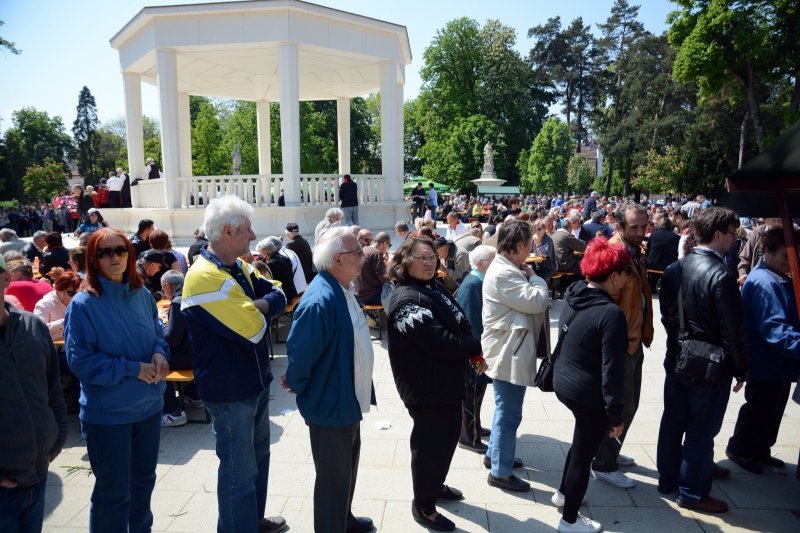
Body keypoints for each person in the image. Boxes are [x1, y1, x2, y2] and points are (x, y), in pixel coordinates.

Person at [180, 195, 288, 533]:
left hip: (253, 384)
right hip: (229, 392)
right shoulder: (204, 277)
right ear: (227, 231)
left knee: (257, 462)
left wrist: (260, 304)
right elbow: (255, 329)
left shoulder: (235, 266)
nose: (253, 236)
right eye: (247, 230)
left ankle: (251, 522)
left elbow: (280, 292)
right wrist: (263, 306)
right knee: (239, 473)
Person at [64, 228, 170, 532]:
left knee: (143, 485)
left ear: (129, 253)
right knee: (114, 494)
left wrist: (160, 355)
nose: (114, 257)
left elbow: (157, 335)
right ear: (92, 259)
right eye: (104, 252)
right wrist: (132, 369)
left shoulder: (141, 295)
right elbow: (81, 362)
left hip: (148, 408)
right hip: (108, 416)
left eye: (120, 250)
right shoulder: (83, 305)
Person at [386, 237, 485, 532]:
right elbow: (440, 342)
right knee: (429, 446)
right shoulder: (405, 300)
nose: (430, 262)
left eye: (432, 257)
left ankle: (435, 484)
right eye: (422, 258)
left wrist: (470, 346)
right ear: (405, 263)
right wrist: (476, 345)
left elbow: (459, 319)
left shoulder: (433, 287)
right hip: (425, 388)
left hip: (447, 382)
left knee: (447, 438)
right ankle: (423, 505)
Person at [657, 207, 748, 513]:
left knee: (673, 421)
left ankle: (668, 480)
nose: (735, 239)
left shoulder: (675, 269)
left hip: (679, 358)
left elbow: (666, 317)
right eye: (732, 233)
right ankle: (693, 493)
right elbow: (732, 330)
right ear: (718, 235)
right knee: (700, 430)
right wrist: (740, 368)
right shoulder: (721, 275)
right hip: (708, 366)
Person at [284, 227, 375, 533]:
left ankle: (343, 520)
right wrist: (295, 381)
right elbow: (300, 353)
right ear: (338, 260)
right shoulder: (321, 299)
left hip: (345, 399)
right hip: (330, 404)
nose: (362, 256)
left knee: (345, 471)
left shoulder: (342, 287)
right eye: (357, 253)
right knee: (332, 479)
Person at [552, 238, 630, 533]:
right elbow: (612, 370)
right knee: (583, 458)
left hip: (565, 380)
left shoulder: (574, 292)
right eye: (624, 274)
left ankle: (562, 493)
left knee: (580, 444)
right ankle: (569, 521)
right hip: (588, 392)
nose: (625, 280)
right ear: (613, 276)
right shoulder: (611, 314)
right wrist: (616, 414)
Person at [0, 254, 68, 533]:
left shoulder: (32, 326)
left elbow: (52, 388)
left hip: (38, 474)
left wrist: (58, 436)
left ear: (6, 279)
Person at [481, 217, 550, 492]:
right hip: (508, 354)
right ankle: (500, 472)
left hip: (510, 349)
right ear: (519, 245)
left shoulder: (506, 267)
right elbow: (538, 301)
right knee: (509, 414)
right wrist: (536, 278)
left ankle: (495, 456)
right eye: (529, 245)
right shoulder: (505, 272)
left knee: (505, 411)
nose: (530, 252)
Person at [726, 227, 800, 473]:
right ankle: (742, 449)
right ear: (767, 251)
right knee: (760, 408)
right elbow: (775, 331)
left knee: (772, 408)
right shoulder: (766, 283)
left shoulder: (775, 277)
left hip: (777, 362)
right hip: (766, 360)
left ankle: (759, 449)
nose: (789, 265)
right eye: (784, 258)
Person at [590, 203, 653, 489]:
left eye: (644, 226)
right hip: (622, 345)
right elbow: (603, 303)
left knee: (625, 405)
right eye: (634, 227)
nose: (641, 232)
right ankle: (604, 463)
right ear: (619, 227)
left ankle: (607, 451)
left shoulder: (632, 251)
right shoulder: (615, 256)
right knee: (624, 406)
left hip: (633, 340)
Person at [455, 245, 496, 454]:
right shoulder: (473, 284)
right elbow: (471, 324)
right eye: (493, 259)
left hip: (475, 351)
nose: (496, 263)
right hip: (472, 354)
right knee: (472, 393)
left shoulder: (476, 281)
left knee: (476, 393)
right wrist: (477, 356)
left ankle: (475, 428)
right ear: (481, 264)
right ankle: (468, 438)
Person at [160, 269, 195, 428]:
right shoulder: (192, 293)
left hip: (188, 357)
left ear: (167, 287)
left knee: (155, 362)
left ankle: (173, 412)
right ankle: (194, 395)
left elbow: (171, 339)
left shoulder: (177, 301)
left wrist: (163, 325)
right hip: (200, 353)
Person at [33, 270, 81, 341]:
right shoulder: (44, 304)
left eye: (78, 293)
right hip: (54, 348)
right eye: (71, 293)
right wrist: (65, 322)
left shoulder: (80, 302)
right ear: (60, 290)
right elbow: (38, 330)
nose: (75, 297)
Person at [256, 237, 298, 302]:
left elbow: (271, 281)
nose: (260, 255)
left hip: (285, 296)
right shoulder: (283, 257)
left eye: (260, 253)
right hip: (292, 292)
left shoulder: (272, 264)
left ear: (265, 252)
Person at [354, 231, 390, 305]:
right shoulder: (376, 253)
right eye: (390, 245)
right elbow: (383, 278)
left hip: (359, 296)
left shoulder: (360, 251)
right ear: (385, 244)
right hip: (372, 297)